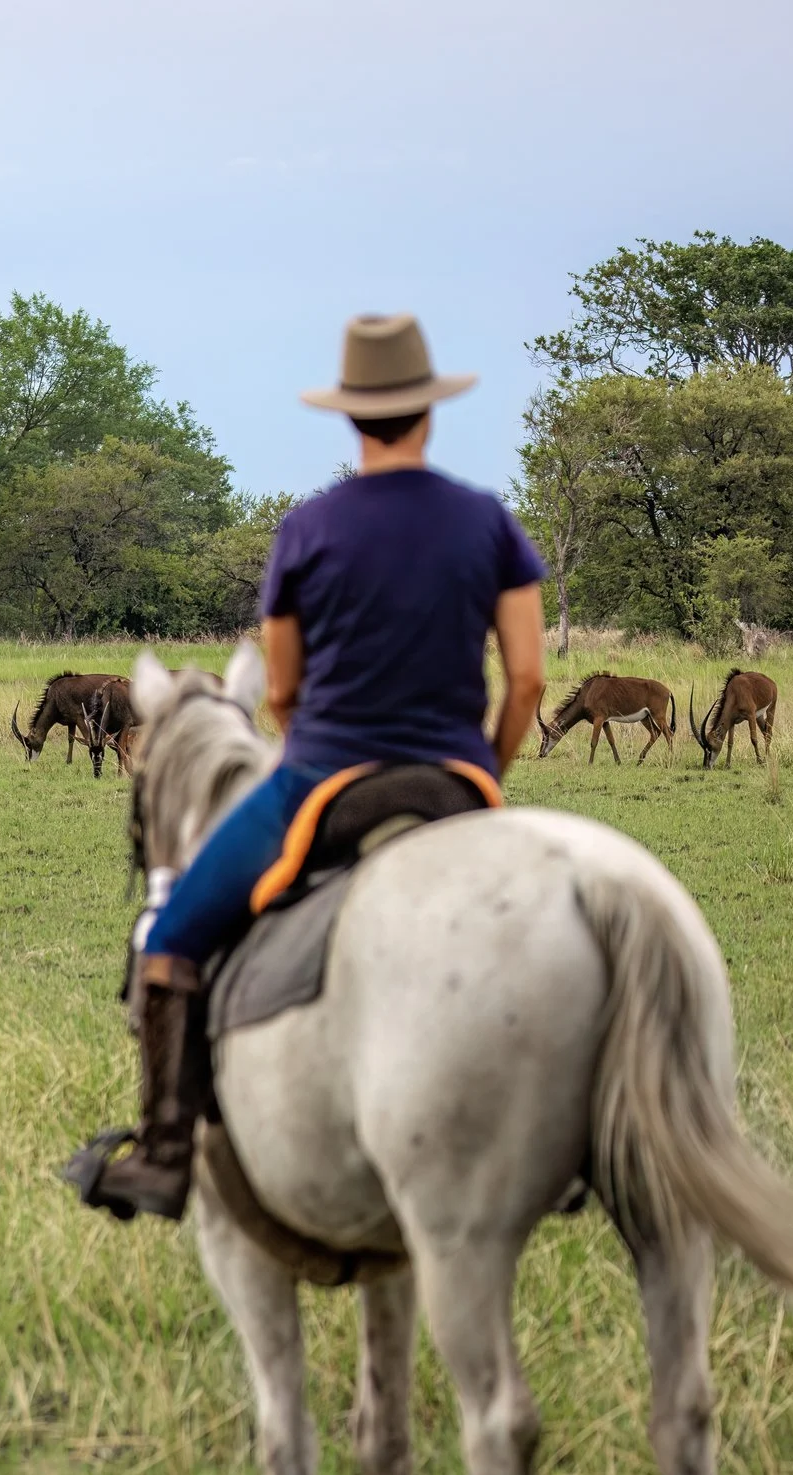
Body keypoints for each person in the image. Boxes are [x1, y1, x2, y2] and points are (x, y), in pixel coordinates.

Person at [64, 313, 548, 1222]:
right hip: (458, 781)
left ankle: (166, 1157)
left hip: (324, 783)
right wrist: (486, 771)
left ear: (353, 419)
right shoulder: (490, 523)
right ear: (428, 416)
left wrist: (316, 734)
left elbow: (280, 691)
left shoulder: (309, 529)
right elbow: (526, 678)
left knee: (167, 939)